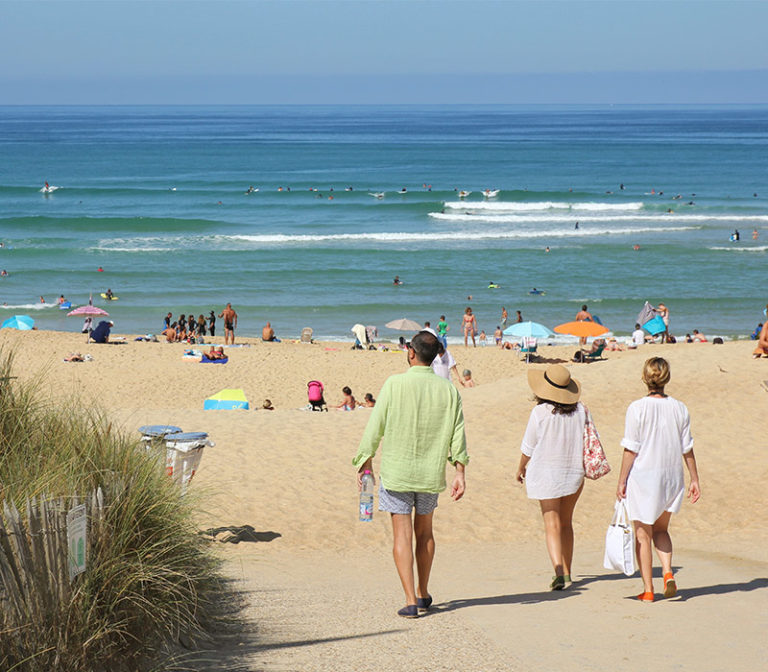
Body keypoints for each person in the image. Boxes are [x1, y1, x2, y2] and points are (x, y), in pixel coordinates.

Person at [353, 330, 468, 618]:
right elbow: (458, 435)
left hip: (397, 471)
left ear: (411, 352)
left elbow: (375, 425)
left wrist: (364, 461)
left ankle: (409, 600)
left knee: (402, 535)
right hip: (430, 473)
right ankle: (423, 591)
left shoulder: (394, 384)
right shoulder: (449, 390)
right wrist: (460, 471)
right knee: (425, 532)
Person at [616, 358, 701, 602]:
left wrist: (621, 481)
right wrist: (694, 478)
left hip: (644, 476)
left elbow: (630, 449)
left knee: (643, 533)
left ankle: (648, 589)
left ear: (645, 378)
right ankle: (667, 572)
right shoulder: (680, 407)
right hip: (672, 475)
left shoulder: (637, 408)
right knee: (662, 529)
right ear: (666, 378)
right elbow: (687, 448)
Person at [516, 365, 591, 590]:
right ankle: (567, 571)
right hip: (574, 471)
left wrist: (520, 467)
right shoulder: (582, 410)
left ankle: (559, 572)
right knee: (566, 523)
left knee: (552, 524)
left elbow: (529, 446)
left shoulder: (540, 413)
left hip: (547, 472)